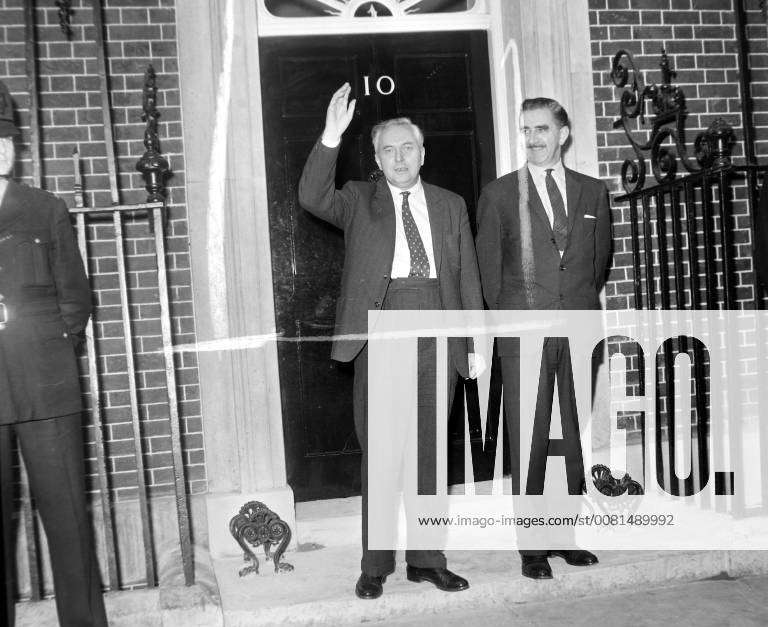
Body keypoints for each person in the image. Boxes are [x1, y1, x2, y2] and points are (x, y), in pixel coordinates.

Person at [298, 82, 484, 600]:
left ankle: (427, 560)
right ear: (376, 159)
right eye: (388, 150)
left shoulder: (450, 205)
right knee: (380, 453)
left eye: (408, 147)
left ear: (422, 153)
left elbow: (467, 276)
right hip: (380, 331)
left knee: (429, 455)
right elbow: (312, 196)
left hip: (436, 330)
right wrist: (331, 135)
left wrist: (474, 342)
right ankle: (374, 564)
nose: (399, 157)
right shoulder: (359, 199)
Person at [475, 97, 611, 580]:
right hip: (524, 335)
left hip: (576, 330)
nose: (532, 138)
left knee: (568, 434)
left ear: (563, 133)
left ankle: (563, 535)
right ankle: (532, 545)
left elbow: (598, 265)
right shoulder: (497, 195)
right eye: (525, 130)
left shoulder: (593, 193)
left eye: (541, 129)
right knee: (531, 437)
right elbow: (490, 275)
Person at [0, 80, 108, 626]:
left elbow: (75, 299)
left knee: (66, 518)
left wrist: (44, 347)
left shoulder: (45, 209)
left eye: (5, 138)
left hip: (46, 388)